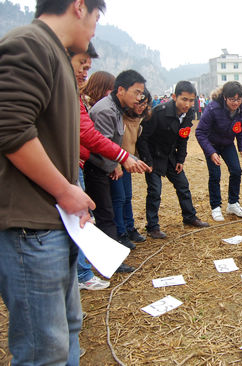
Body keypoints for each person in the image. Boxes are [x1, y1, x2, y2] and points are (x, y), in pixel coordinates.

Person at [0, 0, 104, 363]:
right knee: (43, 349)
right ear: (79, 7)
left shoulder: (56, 55)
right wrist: (65, 190)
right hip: (30, 230)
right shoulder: (29, 44)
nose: (94, 29)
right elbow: (10, 128)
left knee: (67, 331)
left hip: (54, 224)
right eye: (96, 17)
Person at [86, 70, 149, 258]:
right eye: (136, 92)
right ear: (121, 90)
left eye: (142, 94)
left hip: (110, 166)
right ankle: (111, 259)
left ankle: (115, 251)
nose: (140, 98)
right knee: (106, 214)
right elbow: (102, 144)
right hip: (99, 169)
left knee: (117, 204)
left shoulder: (118, 108)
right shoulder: (105, 110)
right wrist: (117, 164)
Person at [137, 81, 210, 239]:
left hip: (171, 156)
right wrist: (147, 161)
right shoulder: (157, 112)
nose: (187, 104)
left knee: (183, 185)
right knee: (155, 191)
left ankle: (190, 217)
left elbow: (183, 138)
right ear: (174, 97)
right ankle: (152, 226)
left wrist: (180, 159)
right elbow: (142, 139)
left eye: (191, 100)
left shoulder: (189, 114)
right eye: (184, 99)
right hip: (154, 156)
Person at [196, 81, 242, 221]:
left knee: (236, 170)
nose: (235, 103)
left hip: (227, 143)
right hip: (211, 144)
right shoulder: (213, 108)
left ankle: (233, 203)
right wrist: (211, 152)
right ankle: (215, 207)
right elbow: (200, 132)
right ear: (225, 97)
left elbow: (241, 129)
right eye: (232, 99)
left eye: (238, 99)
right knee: (215, 174)